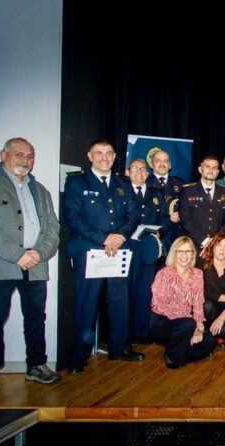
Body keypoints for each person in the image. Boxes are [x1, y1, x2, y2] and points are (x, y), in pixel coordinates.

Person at [0, 137, 61, 401]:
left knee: (35, 317)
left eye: (30, 156)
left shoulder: (40, 190)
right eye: (19, 154)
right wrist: (17, 255)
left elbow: (53, 227)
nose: (25, 160)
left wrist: (39, 253)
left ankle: (36, 366)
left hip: (36, 265)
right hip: (1, 264)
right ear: (3, 154)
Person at [64, 139, 143, 373]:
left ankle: (120, 347)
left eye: (109, 153)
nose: (104, 157)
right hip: (90, 251)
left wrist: (119, 237)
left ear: (115, 156)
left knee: (120, 302)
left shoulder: (123, 183)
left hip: (118, 251)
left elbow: (133, 215)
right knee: (86, 304)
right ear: (90, 156)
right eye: (99, 153)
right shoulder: (76, 182)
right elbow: (73, 218)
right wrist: (104, 238)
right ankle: (79, 356)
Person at [150, 236, 217, 368]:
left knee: (210, 341)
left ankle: (175, 352)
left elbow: (198, 303)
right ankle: (175, 357)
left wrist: (198, 327)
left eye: (188, 251)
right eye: (180, 251)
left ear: (193, 254)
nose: (184, 255)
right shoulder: (163, 274)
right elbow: (159, 305)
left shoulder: (197, 274)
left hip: (186, 322)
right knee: (187, 325)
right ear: (174, 253)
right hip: (162, 322)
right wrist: (191, 324)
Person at [126, 159, 170, 343]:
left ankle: (142, 332)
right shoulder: (122, 192)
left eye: (143, 170)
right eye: (135, 169)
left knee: (145, 291)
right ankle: (124, 335)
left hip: (150, 248)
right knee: (127, 292)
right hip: (128, 248)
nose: (140, 173)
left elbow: (166, 218)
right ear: (128, 172)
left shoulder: (156, 193)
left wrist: (160, 232)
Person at [179, 156, 225, 257]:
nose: (211, 170)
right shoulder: (187, 191)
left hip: (219, 247)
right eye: (207, 167)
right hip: (194, 247)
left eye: (214, 168)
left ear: (218, 172)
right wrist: (204, 241)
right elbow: (185, 220)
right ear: (200, 169)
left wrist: (215, 241)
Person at [146, 149, 184, 244]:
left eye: (165, 161)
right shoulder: (144, 183)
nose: (162, 164)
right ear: (151, 164)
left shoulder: (181, 183)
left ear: (170, 165)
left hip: (176, 236)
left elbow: (187, 207)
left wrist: (181, 215)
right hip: (153, 235)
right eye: (158, 160)